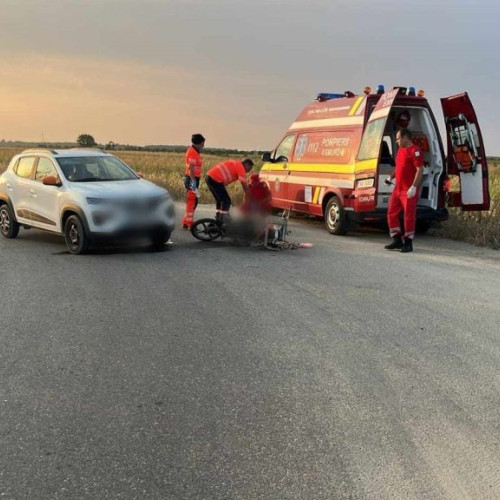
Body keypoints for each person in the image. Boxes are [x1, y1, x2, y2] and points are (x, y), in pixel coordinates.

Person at [384, 128, 424, 253]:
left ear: (405, 137)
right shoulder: (401, 150)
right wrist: (391, 177)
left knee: (409, 216)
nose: (396, 141)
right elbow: (399, 167)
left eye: (398, 138)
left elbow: (420, 170)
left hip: (408, 190)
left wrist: (414, 187)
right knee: (391, 212)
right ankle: (397, 239)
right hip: (398, 189)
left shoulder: (415, 151)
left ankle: (408, 242)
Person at [182, 133, 205, 229]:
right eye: (203, 143)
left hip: (193, 178)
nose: (203, 145)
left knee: (192, 201)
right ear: (199, 143)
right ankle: (190, 223)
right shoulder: (192, 152)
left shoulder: (194, 151)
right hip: (192, 179)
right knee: (192, 201)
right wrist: (194, 182)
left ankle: (185, 221)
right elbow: (191, 168)